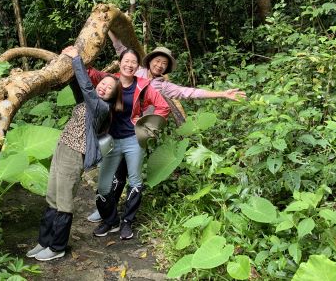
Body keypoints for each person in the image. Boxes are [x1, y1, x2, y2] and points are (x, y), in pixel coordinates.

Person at [86, 31, 246, 225]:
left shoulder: (163, 86)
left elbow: (190, 92)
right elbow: (122, 51)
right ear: (149, 60)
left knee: (126, 174)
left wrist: (221, 94)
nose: (159, 64)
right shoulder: (135, 70)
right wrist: (109, 28)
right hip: (114, 128)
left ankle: (121, 216)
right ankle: (104, 209)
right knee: (115, 173)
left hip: (135, 134)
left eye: (164, 63)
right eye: (157, 60)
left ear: (166, 67)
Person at [26, 45, 122, 261]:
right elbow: (80, 87)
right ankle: (44, 242)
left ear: (113, 95)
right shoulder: (87, 102)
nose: (104, 88)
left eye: (109, 88)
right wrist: (66, 64)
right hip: (61, 148)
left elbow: (88, 89)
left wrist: (77, 59)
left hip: (75, 154)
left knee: (64, 201)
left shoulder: (101, 108)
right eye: (103, 84)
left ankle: (57, 246)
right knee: (51, 196)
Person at [87, 48, 170, 240]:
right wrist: (77, 56)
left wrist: (146, 126)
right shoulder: (109, 80)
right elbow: (89, 73)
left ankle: (127, 222)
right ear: (119, 62)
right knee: (104, 185)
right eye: (126, 61)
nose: (129, 65)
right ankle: (110, 220)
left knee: (135, 181)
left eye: (134, 62)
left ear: (138, 66)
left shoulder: (143, 85)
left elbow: (163, 107)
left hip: (133, 140)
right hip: (111, 141)